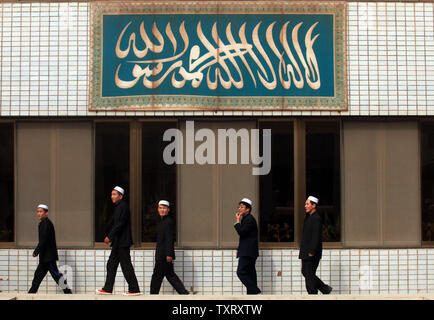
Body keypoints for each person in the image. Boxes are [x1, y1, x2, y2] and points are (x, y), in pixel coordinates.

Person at [96, 186, 140, 295]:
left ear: (121, 196)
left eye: (115, 194)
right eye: (112, 194)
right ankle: (107, 289)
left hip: (122, 242)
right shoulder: (119, 207)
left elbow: (120, 224)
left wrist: (110, 236)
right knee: (111, 264)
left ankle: (134, 289)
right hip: (118, 242)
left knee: (126, 265)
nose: (112, 197)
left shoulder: (123, 207)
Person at [28, 204, 72, 294]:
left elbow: (43, 239)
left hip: (48, 257)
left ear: (46, 213)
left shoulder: (46, 224)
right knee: (38, 276)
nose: (39, 214)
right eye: (38, 211)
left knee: (56, 276)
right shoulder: (43, 223)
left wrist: (36, 251)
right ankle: (31, 293)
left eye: (41, 212)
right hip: (45, 257)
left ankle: (67, 292)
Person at [150, 200, 189, 294]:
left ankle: (152, 295)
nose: (162, 210)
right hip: (162, 254)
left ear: (168, 210)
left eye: (164, 208)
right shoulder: (162, 221)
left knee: (157, 276)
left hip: (163, 255)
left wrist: (169, 254)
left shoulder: (168, 222)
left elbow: (169, 239)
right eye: (160, 208)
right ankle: (184, 293)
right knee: (170, 275)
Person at [299, 196, 333, 294]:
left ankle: (314, 293)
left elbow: (316, 237)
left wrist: (312, 251)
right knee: (306, 272)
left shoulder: (316, 218)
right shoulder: (308, 218)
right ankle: (324, 288)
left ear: (314, 205)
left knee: (309, 274)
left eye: (307, 204)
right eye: (305, 204)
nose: (305, 206)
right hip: (306, 251)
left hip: (311, 252)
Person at [234, 198, 261, 294]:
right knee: (250, 273)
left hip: (248, 252)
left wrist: (237, 222)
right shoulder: (247, 219)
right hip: (248, 251)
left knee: (241, 272)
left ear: (248, 209)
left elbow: (242, 232)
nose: (239, 209)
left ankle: (255, 290)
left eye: (242, 207)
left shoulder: (249, 219)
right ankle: (252, 293)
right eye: (239, 207)